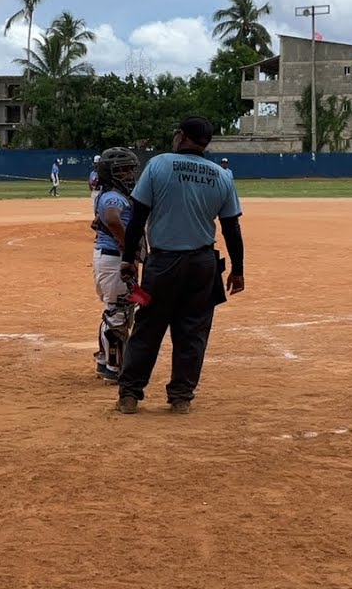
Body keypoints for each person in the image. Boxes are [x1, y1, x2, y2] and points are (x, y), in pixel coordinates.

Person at [116, 116, 246, 415]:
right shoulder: (222, 176)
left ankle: (130, 394)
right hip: (202, 264)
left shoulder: (159, 165)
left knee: (148, 328)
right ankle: (181, 397)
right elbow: (231, 228)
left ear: (180, 136)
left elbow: (137, 217)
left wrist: (128, 260)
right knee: (193, 331)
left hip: (163, 262)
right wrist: (238, 270)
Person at [90, 148, 141, 383]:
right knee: (119, 313)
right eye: (124, 170)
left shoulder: (112, 193)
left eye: (132, 169)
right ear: (111, 173)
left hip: (108, 258)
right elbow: (112, 218)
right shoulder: (114, 197)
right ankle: (114, 367)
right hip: (114, 259)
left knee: (115, 310)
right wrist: (127, 247)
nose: (130, 174)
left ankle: (104, 361)